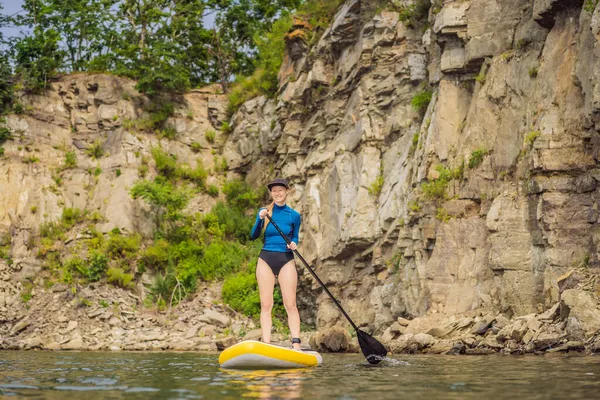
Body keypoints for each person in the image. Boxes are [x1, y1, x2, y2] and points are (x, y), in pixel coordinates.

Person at [250, 178, 302, 350]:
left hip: (286, 259)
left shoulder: (294, 216)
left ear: (287, 191)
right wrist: (259, 219)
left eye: (280, 190)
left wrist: (294, 244)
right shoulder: (265, 211)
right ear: (271, 193)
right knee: (266, 304)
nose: (277, 193)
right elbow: (253, 235)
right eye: (274, 191)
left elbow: (294, 237)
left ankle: (296, 343)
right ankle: (266, 343)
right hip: (266, 258)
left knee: (290, 304)